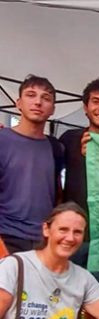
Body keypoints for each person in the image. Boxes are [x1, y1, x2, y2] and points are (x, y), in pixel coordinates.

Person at [60, 78, 99, 297]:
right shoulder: (69, 139)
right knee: (63, 300)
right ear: (85, 108)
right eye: (96, 101)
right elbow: (50, 175)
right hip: (70, 234)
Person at [0, 75, 63, 254]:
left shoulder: (56, 147)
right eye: (31, 95)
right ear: (18, 103)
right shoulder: (2, 141)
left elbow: (57, 194)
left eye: (46, 98)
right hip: (6, 237)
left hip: (43, 240)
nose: (38, 102)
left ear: (52, 109)